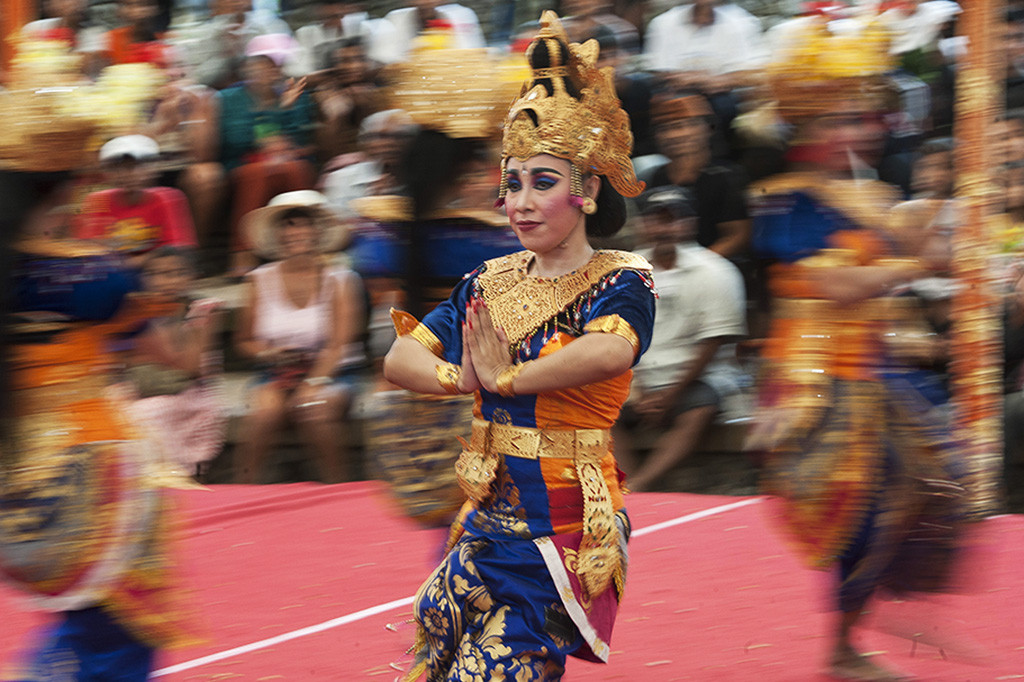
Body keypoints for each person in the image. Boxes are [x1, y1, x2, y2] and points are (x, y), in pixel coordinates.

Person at [382, 13, 656, 679]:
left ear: (588, 190)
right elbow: (399, 359)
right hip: (484, 525)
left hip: (559, 530)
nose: (521, 203)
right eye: (512, 182)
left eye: (543, 182)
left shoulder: (622, 280)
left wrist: (510, 379)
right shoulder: (488, 280)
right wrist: (461, 377)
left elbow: (609, 354)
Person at [747, 17, 969, 682]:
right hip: (814, 378)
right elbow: (836, 284)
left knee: (936, 484)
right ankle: (845, 643)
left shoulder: (876, 196)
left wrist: (946, 257)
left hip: (876, 370)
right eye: (836, 119)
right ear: (806, 128)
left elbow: (900, 274)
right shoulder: (782, 201)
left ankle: (856, 631)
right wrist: (913, 264)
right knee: (859, 511)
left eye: (860, 116)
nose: (853, 130)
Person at [0, 171, 198, 681]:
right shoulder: (90, 274)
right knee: (120, 627)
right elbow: (173, 357)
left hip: (13, 477)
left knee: (85, 621)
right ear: (65, 192)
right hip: (89, 469)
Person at [613, 187, 747, 492]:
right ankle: (629, 484)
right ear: (644, 224)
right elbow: (620, 332)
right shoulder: (625, 271)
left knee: (699, 408)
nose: (664, 228)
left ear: (689, 224)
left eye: (673, 220)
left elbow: (712, 344)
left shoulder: (716, 271)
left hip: (696, 377)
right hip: (642, 376)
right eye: (657, 220)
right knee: (598, 404)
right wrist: (642, 386)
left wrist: (671, 394)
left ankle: (639, 487)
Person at [232, 191, 364, 484]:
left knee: (313, 410)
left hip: (333, 372)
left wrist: (313, 382)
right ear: (277, 234)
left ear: (318, 231)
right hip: (276, 370)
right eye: (288, 225)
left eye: (303, 224)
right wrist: (267, 354)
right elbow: (244, 339)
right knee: (263, 412)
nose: (296, 232)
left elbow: (340, 344)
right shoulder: (258, 279)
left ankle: (337, 486)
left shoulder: (341, 279)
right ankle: (243, 488)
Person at [119, 246, 227, 481]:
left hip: (188, 392)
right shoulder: (135, 310)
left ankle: (167, 483)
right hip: (140, 386)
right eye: (158, 274)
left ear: (191, 277)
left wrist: (155, 341)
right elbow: (123, 361)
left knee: (143, 415)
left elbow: (191, 366)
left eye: (177, 273)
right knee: (109, 407)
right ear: (146, 279)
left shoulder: (202, 310)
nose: (167, 281)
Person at [73, 135, 198, 273]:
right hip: (111, 274)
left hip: (154, 274)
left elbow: (178, 250)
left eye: (137, 166)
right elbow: (88, 250)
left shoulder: (169, 199)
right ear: (107, 172)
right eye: (117, 168)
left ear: (153, 169)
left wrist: (132, 262)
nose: (128, 174)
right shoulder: (96, 201)